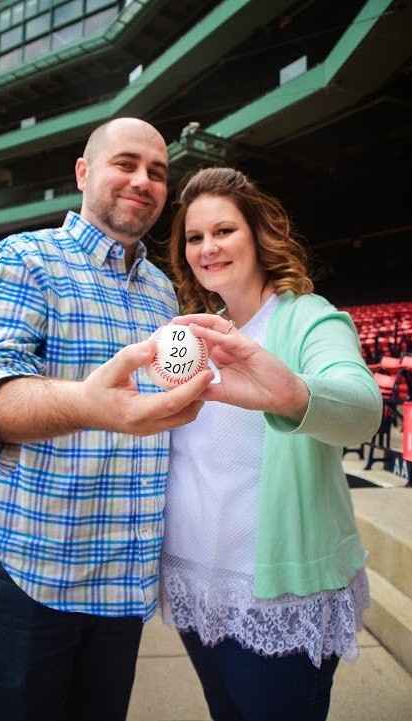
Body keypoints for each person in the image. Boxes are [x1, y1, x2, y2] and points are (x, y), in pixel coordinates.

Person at [0, 117, 213, 721]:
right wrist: (86, 405)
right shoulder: (24, 259)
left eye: (157, 171)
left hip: (119, 574)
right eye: (126, 163)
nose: (143, 181)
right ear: (84, 172)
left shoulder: (161, 291)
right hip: (27, 570)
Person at [160, 167, 382, 721]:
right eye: (194, 237)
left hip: (274, 594)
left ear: (259, 235)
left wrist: (283, 390)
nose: (207, 248)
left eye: (224, 231)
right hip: (194, 583)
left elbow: (361, 411)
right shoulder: (194, 332)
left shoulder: (308, 316)